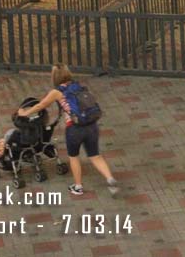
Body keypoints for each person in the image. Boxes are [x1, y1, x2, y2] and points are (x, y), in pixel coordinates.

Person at [17, 64, 118, 197]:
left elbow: (41, 105)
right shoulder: (79, 86)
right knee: (95, 156)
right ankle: (109, 178)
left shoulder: (57, 92)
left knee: (74, 157)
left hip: (74, 129)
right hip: (91, 126)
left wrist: (24, 113)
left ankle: (78, 186)